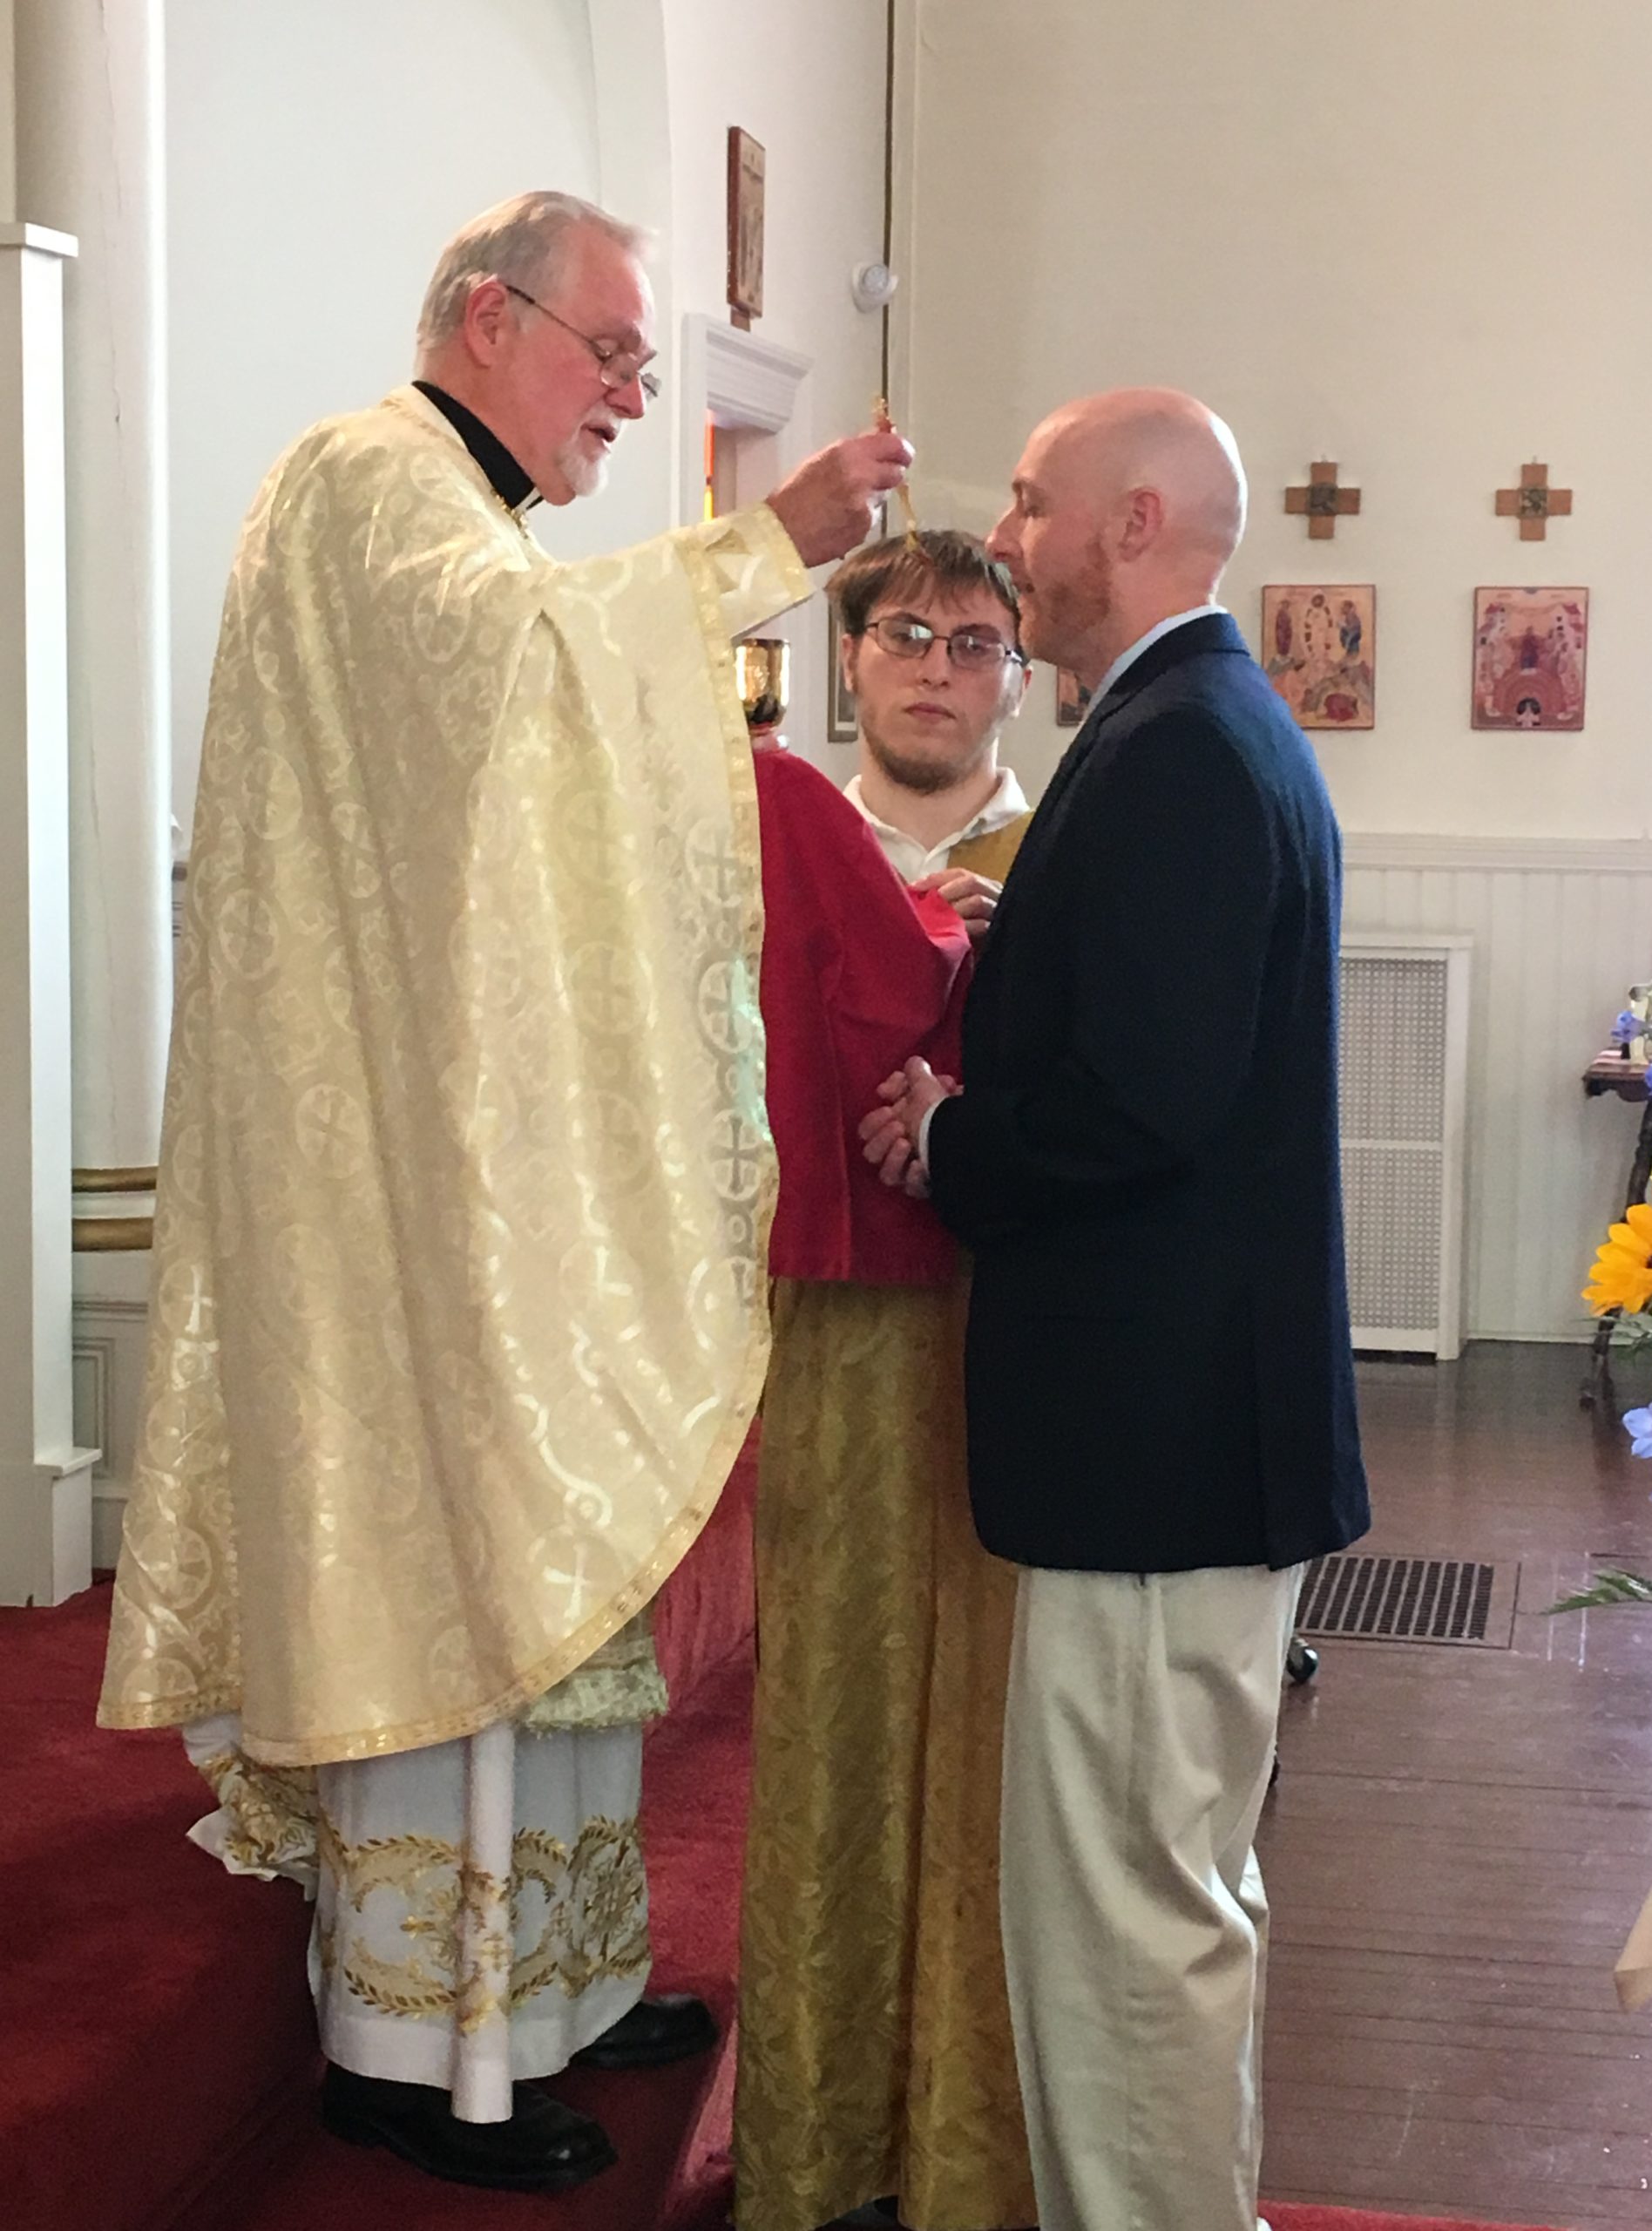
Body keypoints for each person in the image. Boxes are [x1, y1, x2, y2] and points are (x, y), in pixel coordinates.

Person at [96, 188, 909, 2197]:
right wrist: (764, 544)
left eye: (640, 359)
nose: (633, 391)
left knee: (550, 1563)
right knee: (448, 1575)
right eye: (609, 350)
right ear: (487, 316)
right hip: (389, 1196)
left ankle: (556, 1975)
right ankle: (408, 2044)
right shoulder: (370, 485)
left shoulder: (484, 520)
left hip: (486, 1163)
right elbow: (516, 670)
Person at [861, 390, 1371, 2231]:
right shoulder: (1203, 722)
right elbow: (1165, 1029)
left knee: (1128, 1925)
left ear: (1132, 521)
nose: (1008, 538)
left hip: (1155, 1453)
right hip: (1181, 1437)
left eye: (1030, 502)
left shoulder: (1176, 747)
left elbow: (1147, 1100)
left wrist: (955, 1135)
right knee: (1164, 1902)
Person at [735, 531, 1037, 2231]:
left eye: (974, 641)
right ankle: (819, 2141)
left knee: (997, 1736)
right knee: (834, 1719)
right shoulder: (775, 837)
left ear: (1018, 678)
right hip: (836, 1339)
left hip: (1011, 1332)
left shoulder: (1063, 854)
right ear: (848, 658)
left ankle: (974, 2149)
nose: (935, 665)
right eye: (905, 633)